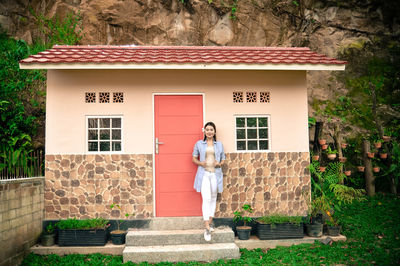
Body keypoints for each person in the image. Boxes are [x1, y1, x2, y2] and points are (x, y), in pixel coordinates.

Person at [192, 122, 226, 241]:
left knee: (213, 199)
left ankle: (209, 224)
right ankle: (207, 226)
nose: (209, 131)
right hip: (204, 174)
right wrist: (201, 163)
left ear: (214, 132)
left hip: (215, 175)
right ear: (204, 132)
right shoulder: (199, 144)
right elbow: (194, 158)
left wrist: (219, 163)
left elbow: (223, 159)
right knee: (206, 199)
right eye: (207, 129)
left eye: (211, 129)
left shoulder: (219, 145)